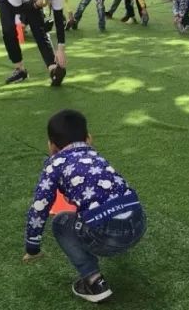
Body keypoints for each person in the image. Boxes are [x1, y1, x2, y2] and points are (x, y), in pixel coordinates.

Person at [21, 109, 145, 303]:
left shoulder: (54, 164)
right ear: (89, 138)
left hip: (107, 236)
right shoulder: (95, 155)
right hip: (138, 225)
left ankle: (94, 281)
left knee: (61, 221)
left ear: (51, 146)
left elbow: (39, 207)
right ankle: (120, 241)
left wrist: (33, 246)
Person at [0, 0, 68, 85]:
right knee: (9, 31)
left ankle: (53, 69)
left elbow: (58, 20)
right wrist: (35, 5)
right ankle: (20, 70)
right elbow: (18, 10)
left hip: (32, 0)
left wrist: (60, 49)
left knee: (40, 30)